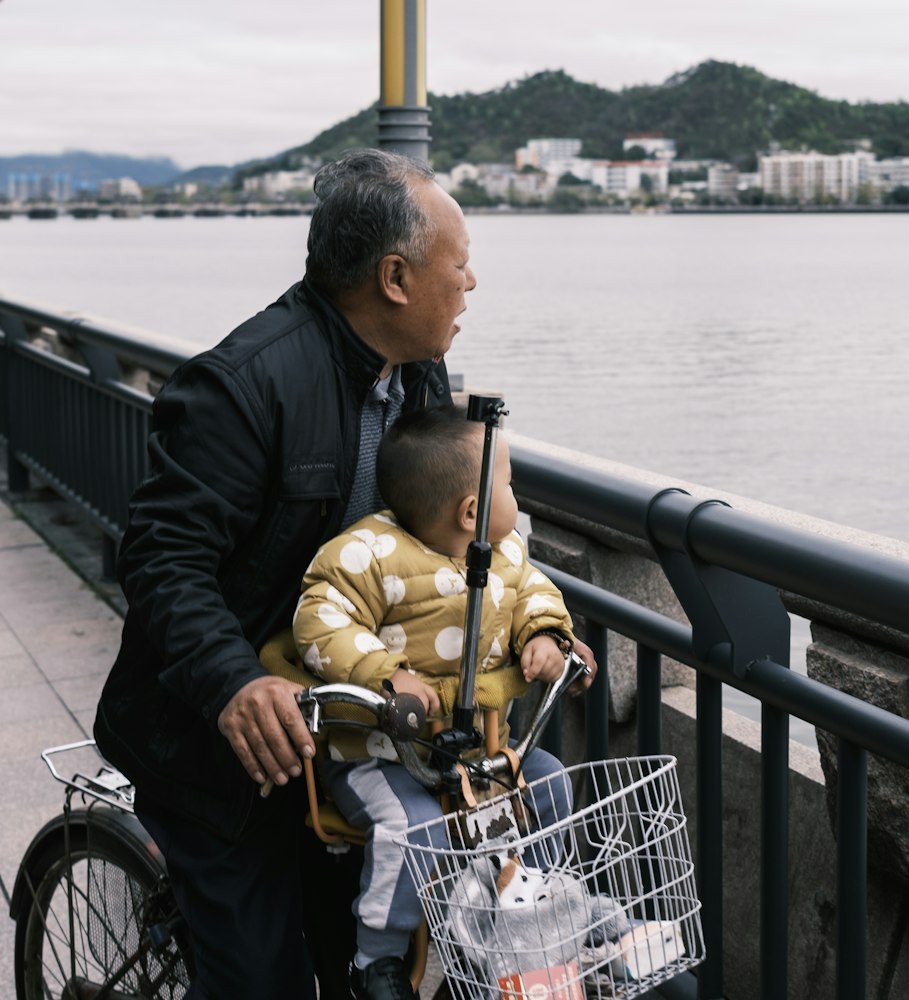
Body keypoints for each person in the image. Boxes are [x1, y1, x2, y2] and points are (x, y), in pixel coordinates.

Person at [93, 148, 478, 1000]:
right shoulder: (244, 385)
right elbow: (161, 557)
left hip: (339, 735)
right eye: (459, 266)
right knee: (261, 979)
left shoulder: (418, 374)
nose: (473, 283)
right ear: (395, 278)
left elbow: (438, 533)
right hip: (216, 748)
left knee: (372, 960)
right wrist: (234, 684)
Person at [291, 404, 580, 1000]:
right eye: (508, 483)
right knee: (413, 827)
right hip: (376, 756)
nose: (515, 494)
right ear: (471, 511)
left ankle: (520, 914)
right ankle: (377, 958)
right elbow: (320, 619)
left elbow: (534, 594)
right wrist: (383, 675)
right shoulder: (367, 553)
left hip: (473, 757)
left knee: (548, 784)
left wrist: (548, 636)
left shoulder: (505, 553)